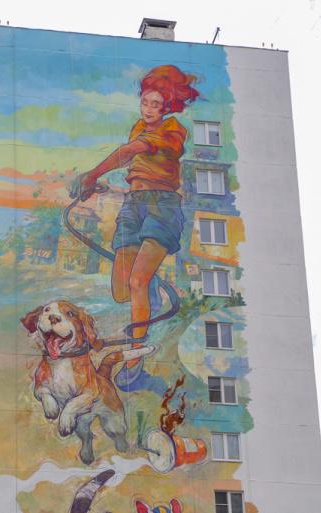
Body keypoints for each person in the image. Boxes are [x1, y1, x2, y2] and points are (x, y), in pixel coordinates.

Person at [71, 64, 199, 386]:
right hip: (134, 203)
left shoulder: (173, 130)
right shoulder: (137, 126)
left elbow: (131, 152)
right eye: (145, 102)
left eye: (157, 104)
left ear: (166, 107)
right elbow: (139, 170)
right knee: (121, 289)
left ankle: (135, 356)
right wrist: (107, 188)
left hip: (162, 207)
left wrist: (92, 175)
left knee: (137, 282)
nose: (150, 109)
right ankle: (148, 289)